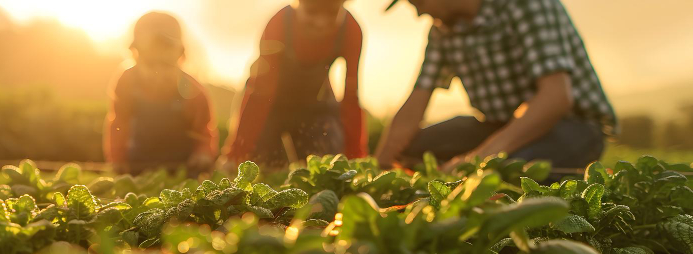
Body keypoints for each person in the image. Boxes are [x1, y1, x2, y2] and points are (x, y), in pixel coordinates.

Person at [375, 0, 617, 172]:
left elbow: (556, 99)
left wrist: (479, 158)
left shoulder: (525, 6)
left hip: (574, 125)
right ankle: (459, 173)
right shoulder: (442, 31)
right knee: (413, 150)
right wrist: (383, 160)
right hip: (499, 125)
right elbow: (419, 95)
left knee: (507, 171)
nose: (419, 14)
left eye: (419, 2)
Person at [224, 0, 368, 168]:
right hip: (271, 106)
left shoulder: (351, 30)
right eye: (311, 12)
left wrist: (355, 156)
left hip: (315, 108)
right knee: (261, 165)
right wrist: (237, 152)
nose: (320, 22)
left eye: (332, 13)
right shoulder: (278, 24)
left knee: (326, 167)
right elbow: (260, 93)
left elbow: (351, 96)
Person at [104, 12, 218, 175]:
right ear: (135, 56)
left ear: (180, 57)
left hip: (181, 173)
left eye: (165, 65)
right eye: (150, 64)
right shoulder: (126, 82)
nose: (158, 72)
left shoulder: (193, 92)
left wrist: (203, 153)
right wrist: (117, 158)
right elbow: (118, 123)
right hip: (136, 170)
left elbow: (204, 132)